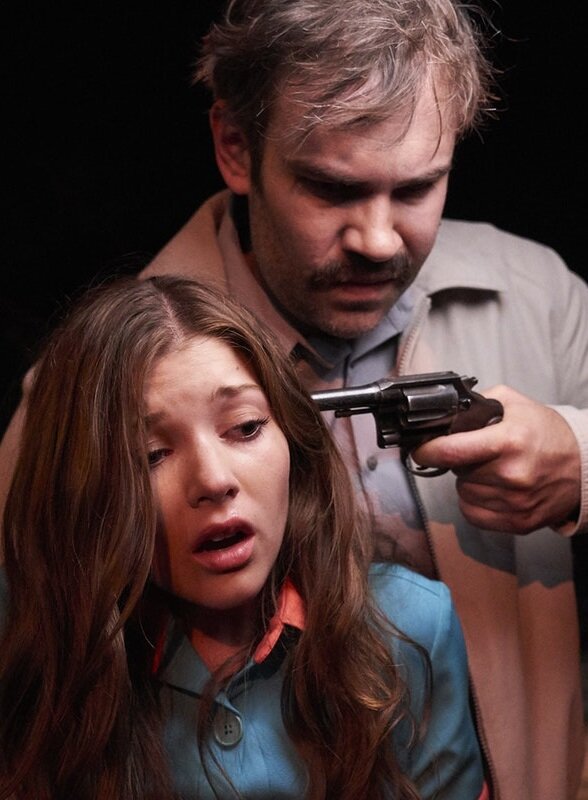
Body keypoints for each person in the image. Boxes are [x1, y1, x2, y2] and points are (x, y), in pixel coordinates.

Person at [0, 0, 585, 797]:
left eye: (418, 187)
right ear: (235, 148)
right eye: (331, 188)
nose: (378, 239)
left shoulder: (542, 296)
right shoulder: (86, 390)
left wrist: (581, 459)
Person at [0, 275, 487, 799]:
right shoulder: (25, 627)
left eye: (246, 427)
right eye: (150, 455)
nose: (213, 480)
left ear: (292, 439)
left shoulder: (414, 623)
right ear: (83, 487)